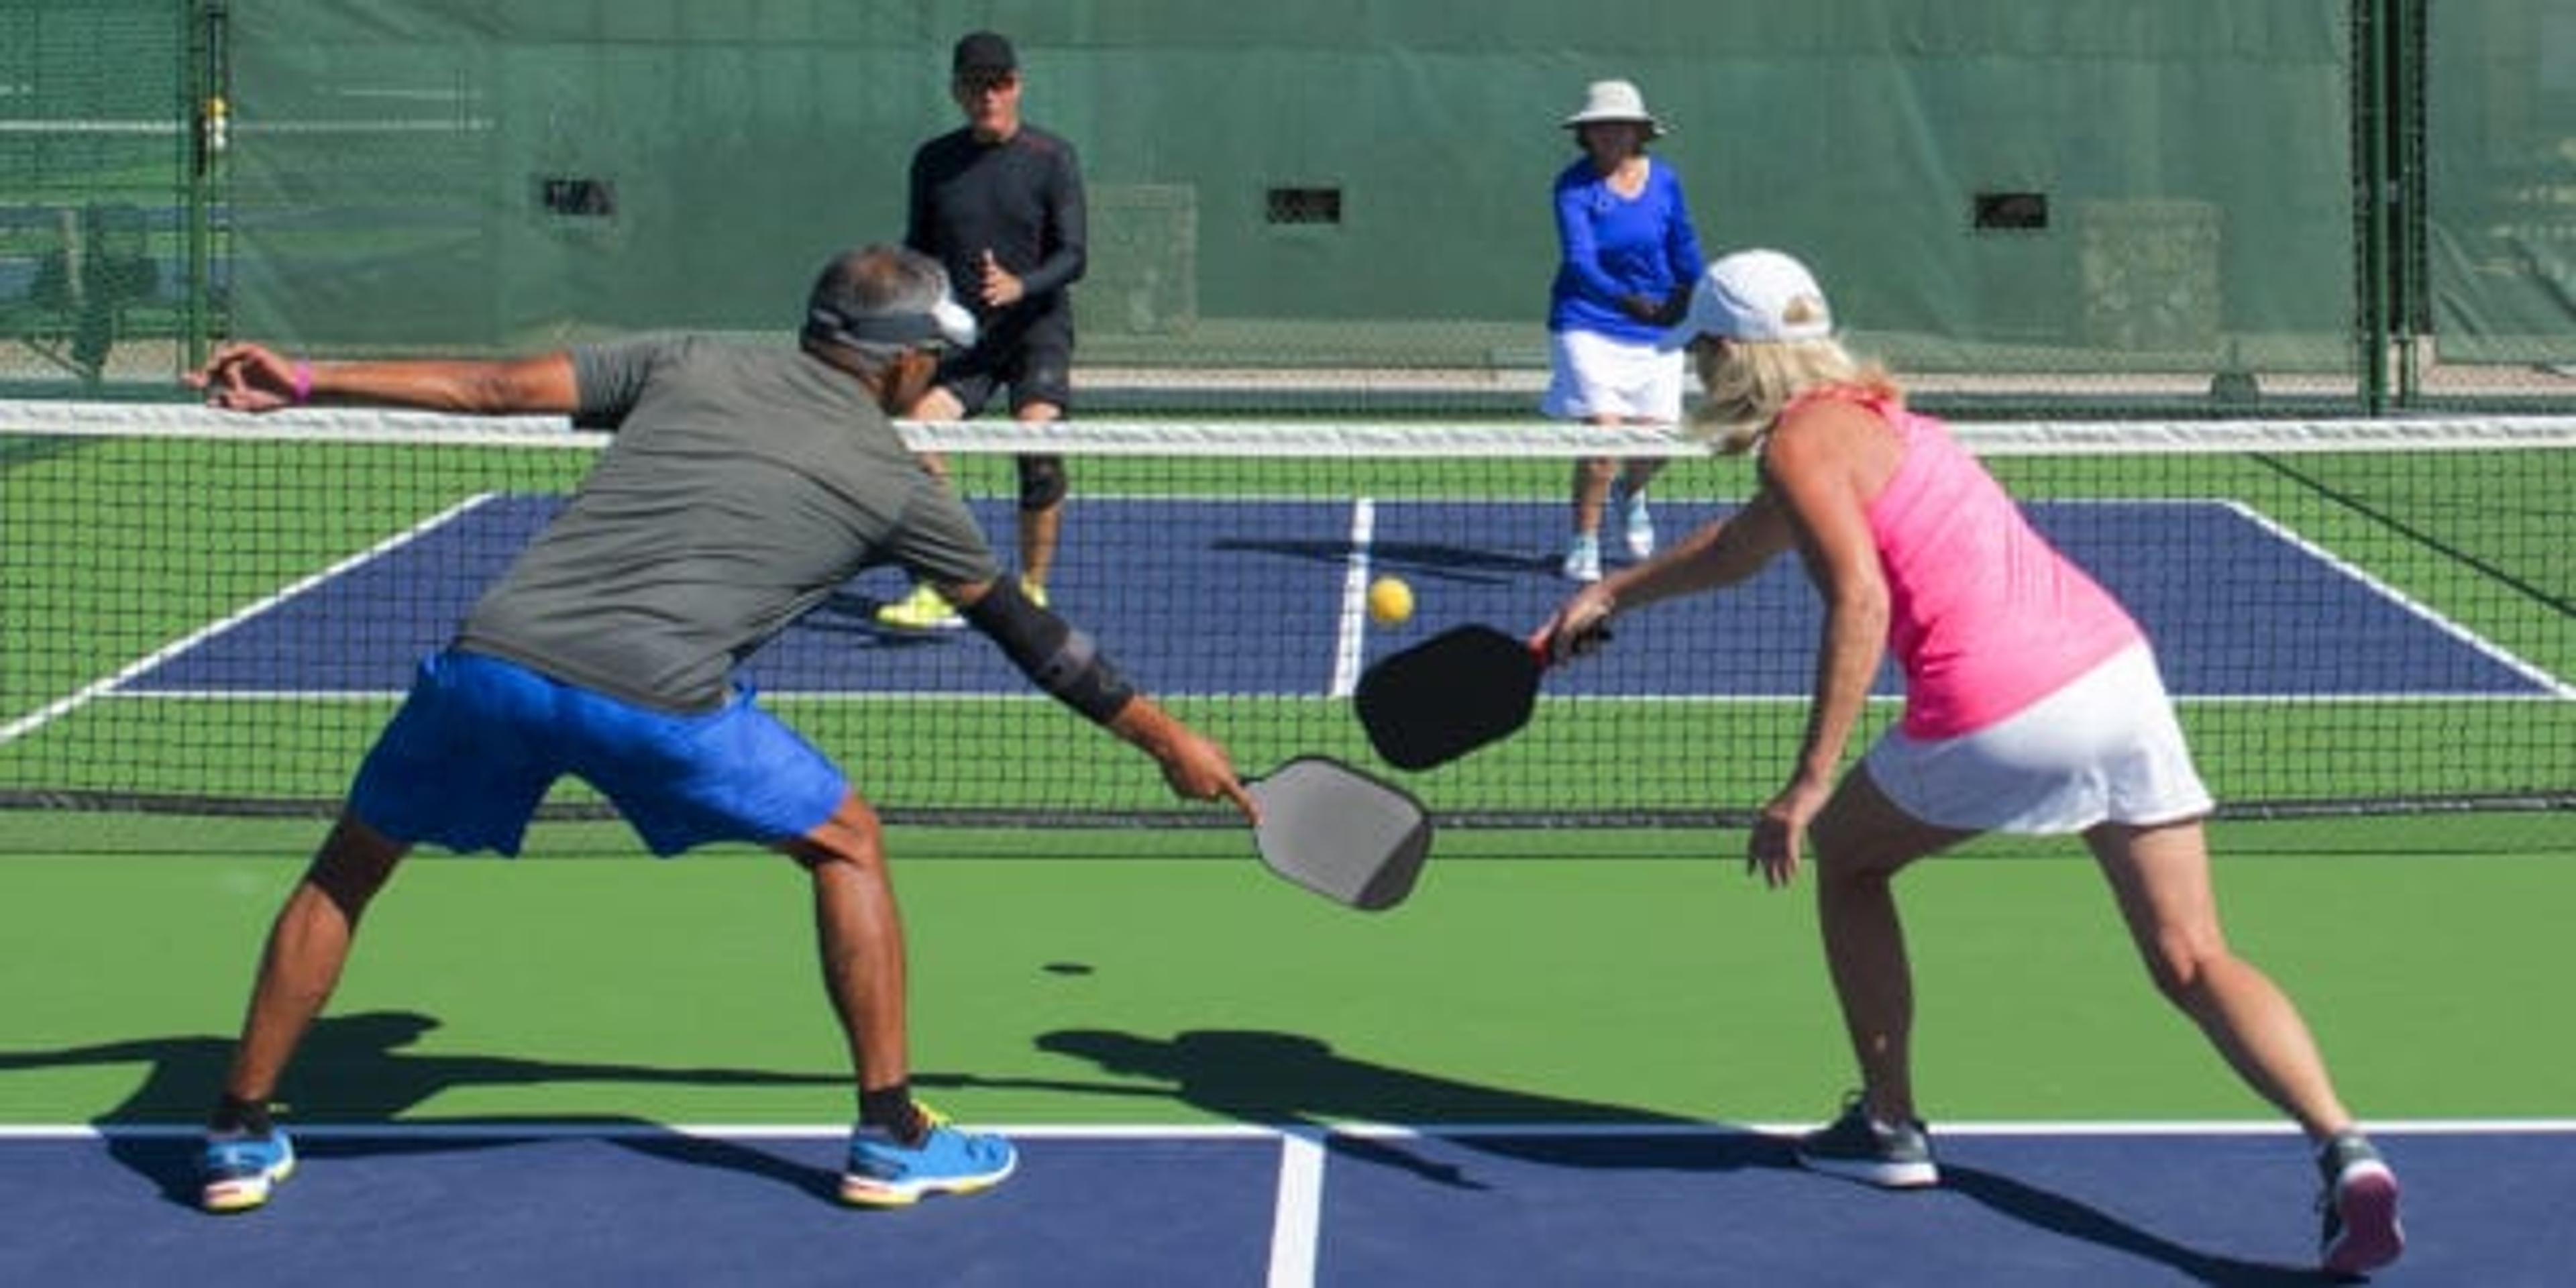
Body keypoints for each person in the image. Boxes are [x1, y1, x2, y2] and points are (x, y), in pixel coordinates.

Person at [183, 244, 1254, 1215]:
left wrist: (308, 381)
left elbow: (494, 388)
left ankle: (236, 1130)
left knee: (350, 866)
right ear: (893, 365)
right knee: (847, 841)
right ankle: (888, 1133)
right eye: (930, 356)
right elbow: (1035, 639)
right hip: (656, 698)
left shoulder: (689, 360)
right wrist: (1171, 743)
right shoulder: (899, 485)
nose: (933, 374)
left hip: (494, 662)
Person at [1532, 249, 2404, 1277]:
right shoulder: (1880, 421)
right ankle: (2345, 1149)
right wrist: (1611, 595)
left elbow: (1860, 601)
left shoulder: (1801, 447)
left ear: (1731, 353)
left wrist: (1806, 785)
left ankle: (1891, 1128)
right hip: (2118, 676)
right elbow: (1739, 546)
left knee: (1851, 861)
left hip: (2002, 705)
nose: (1700, 372)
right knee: (2193, 955)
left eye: (1706, 353)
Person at [877, 30, 1088, 630]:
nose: (988, 96)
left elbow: (1076, 255)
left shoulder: (1052, 158)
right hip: (965, 342)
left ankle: (1033, 590)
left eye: (998, 84)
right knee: (914, 437)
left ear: (1016, 86)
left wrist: (1021, 286)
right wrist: (914, 309)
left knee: (1037, 447)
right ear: (957, 92)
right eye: (976, 86)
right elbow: (917, 250)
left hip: (1037, 334)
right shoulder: (934, 161)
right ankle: (951, 580)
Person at [1543, 78, 1706, 583]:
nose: (1609, 134)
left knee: (1657, 444)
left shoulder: (1666, 181)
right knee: (1605, 440)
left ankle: (1632, 494)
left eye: (1620, 126)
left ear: (1638, 132)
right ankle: (1584, 542)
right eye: (1599, 127)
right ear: (1586, 135)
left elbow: (1683, 243)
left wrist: (1699, 297)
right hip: (1588, 320)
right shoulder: (1573, 187)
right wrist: (1625, 300)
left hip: (1657, 326)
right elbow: (1579, 261)